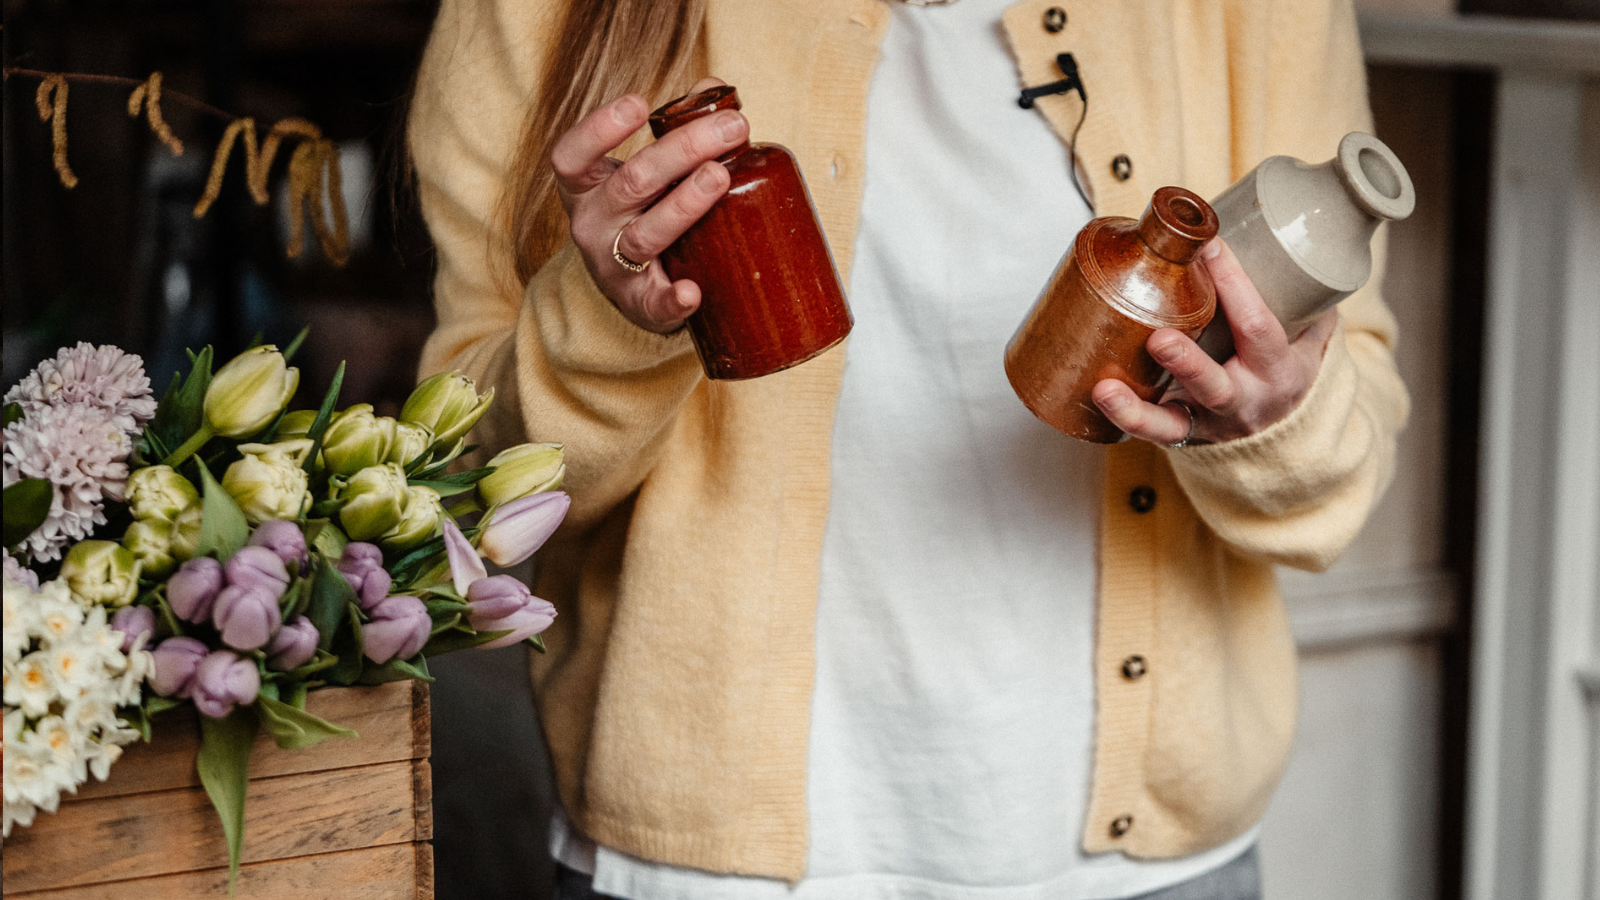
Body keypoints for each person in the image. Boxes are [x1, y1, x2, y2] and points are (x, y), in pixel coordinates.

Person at [408, 0, 1409, 898]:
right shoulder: (534, 13)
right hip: (703, 870)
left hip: (1149, 869)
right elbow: (465, 489)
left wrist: (1270, 416)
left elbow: (1340, 485)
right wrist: (608, 318)